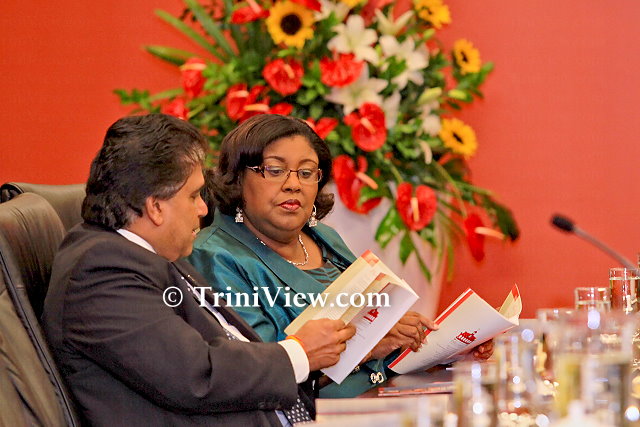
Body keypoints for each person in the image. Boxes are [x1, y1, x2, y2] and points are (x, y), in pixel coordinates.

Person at [42, 113, 356, 426]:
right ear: (156, 206)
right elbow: (196, 375)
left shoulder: (150, 254)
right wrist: (300, 353)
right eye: (193, 196)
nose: (203, 208)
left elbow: (226, 348)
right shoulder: (102, 272)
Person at [187, 114, 494, 398]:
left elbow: (375, 330)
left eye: (306, 172)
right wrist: (366, 347)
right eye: (275, 170)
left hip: (384, 397)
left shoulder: (322, 236)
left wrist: (440, 347)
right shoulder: (213, 255)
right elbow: (261, 369)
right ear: (237, 178)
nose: (293, 184)